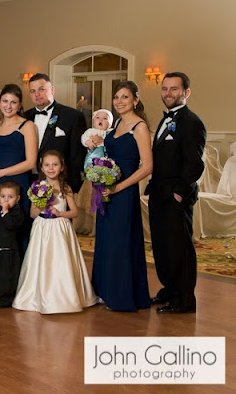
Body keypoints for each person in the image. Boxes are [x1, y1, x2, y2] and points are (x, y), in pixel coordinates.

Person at [146, 72, 206, 314]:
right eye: (165, 89)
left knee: (179, 248)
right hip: (159, 193)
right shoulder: (167, 119)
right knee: (162, 246)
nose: (167, 93)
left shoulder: (191, 122)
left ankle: (184, 299)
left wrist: (179, 194)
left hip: (175, 196)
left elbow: (194, 164)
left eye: (173, 89)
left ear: (186, 93)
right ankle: (169, 289)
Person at [90, 81, 152, 312]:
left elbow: (147, 167)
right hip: (107, 189)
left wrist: (119, 187)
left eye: (125, 97)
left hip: (123, 193)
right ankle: (105, 290)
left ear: (135, 100)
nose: (119, 101)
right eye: (116, 97)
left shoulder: (140, 126)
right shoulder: (116, 124)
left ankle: (123, 295)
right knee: (106, 241)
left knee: (121, 242)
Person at [12, 151, 98, 314]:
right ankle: (38, 296)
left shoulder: (65, 187)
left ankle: (65, 296)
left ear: (62, 167)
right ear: (42, 168)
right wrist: (40, 204)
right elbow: (31, 214)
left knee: (61, 261)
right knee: (42, 261)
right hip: (42, 227)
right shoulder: (37, 187)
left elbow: (74, 212)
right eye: (47, 165)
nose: (51, 168)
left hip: (60, 228)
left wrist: (60, 214)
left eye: (55, 164)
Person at [0, 84, 37, 301]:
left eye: (13, 102)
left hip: (18, 184)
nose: (8, 106)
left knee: (16, 234)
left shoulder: (27, 126)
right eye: (5, 101)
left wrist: (0, 173)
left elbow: (31, 162)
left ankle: (16, 287)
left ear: (20, 104)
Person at [24, 73, 87, 193]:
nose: (37, 94)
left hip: (60, 183)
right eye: (32, 91)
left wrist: (72, 186)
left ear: (52, 90)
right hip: (27, 181)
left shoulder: (72, 116)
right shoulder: (23, 117)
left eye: (41, 89)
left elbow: (77, 154)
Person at [0, 181, 26, 309]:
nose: (6, 200)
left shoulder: (17, 212)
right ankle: (0, 293)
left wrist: (5, 211)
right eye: (3, 196)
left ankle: (6, 299)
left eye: (10, 197)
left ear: (18, 198)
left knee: (6, 276)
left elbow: (10, 225)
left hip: (8, 249)